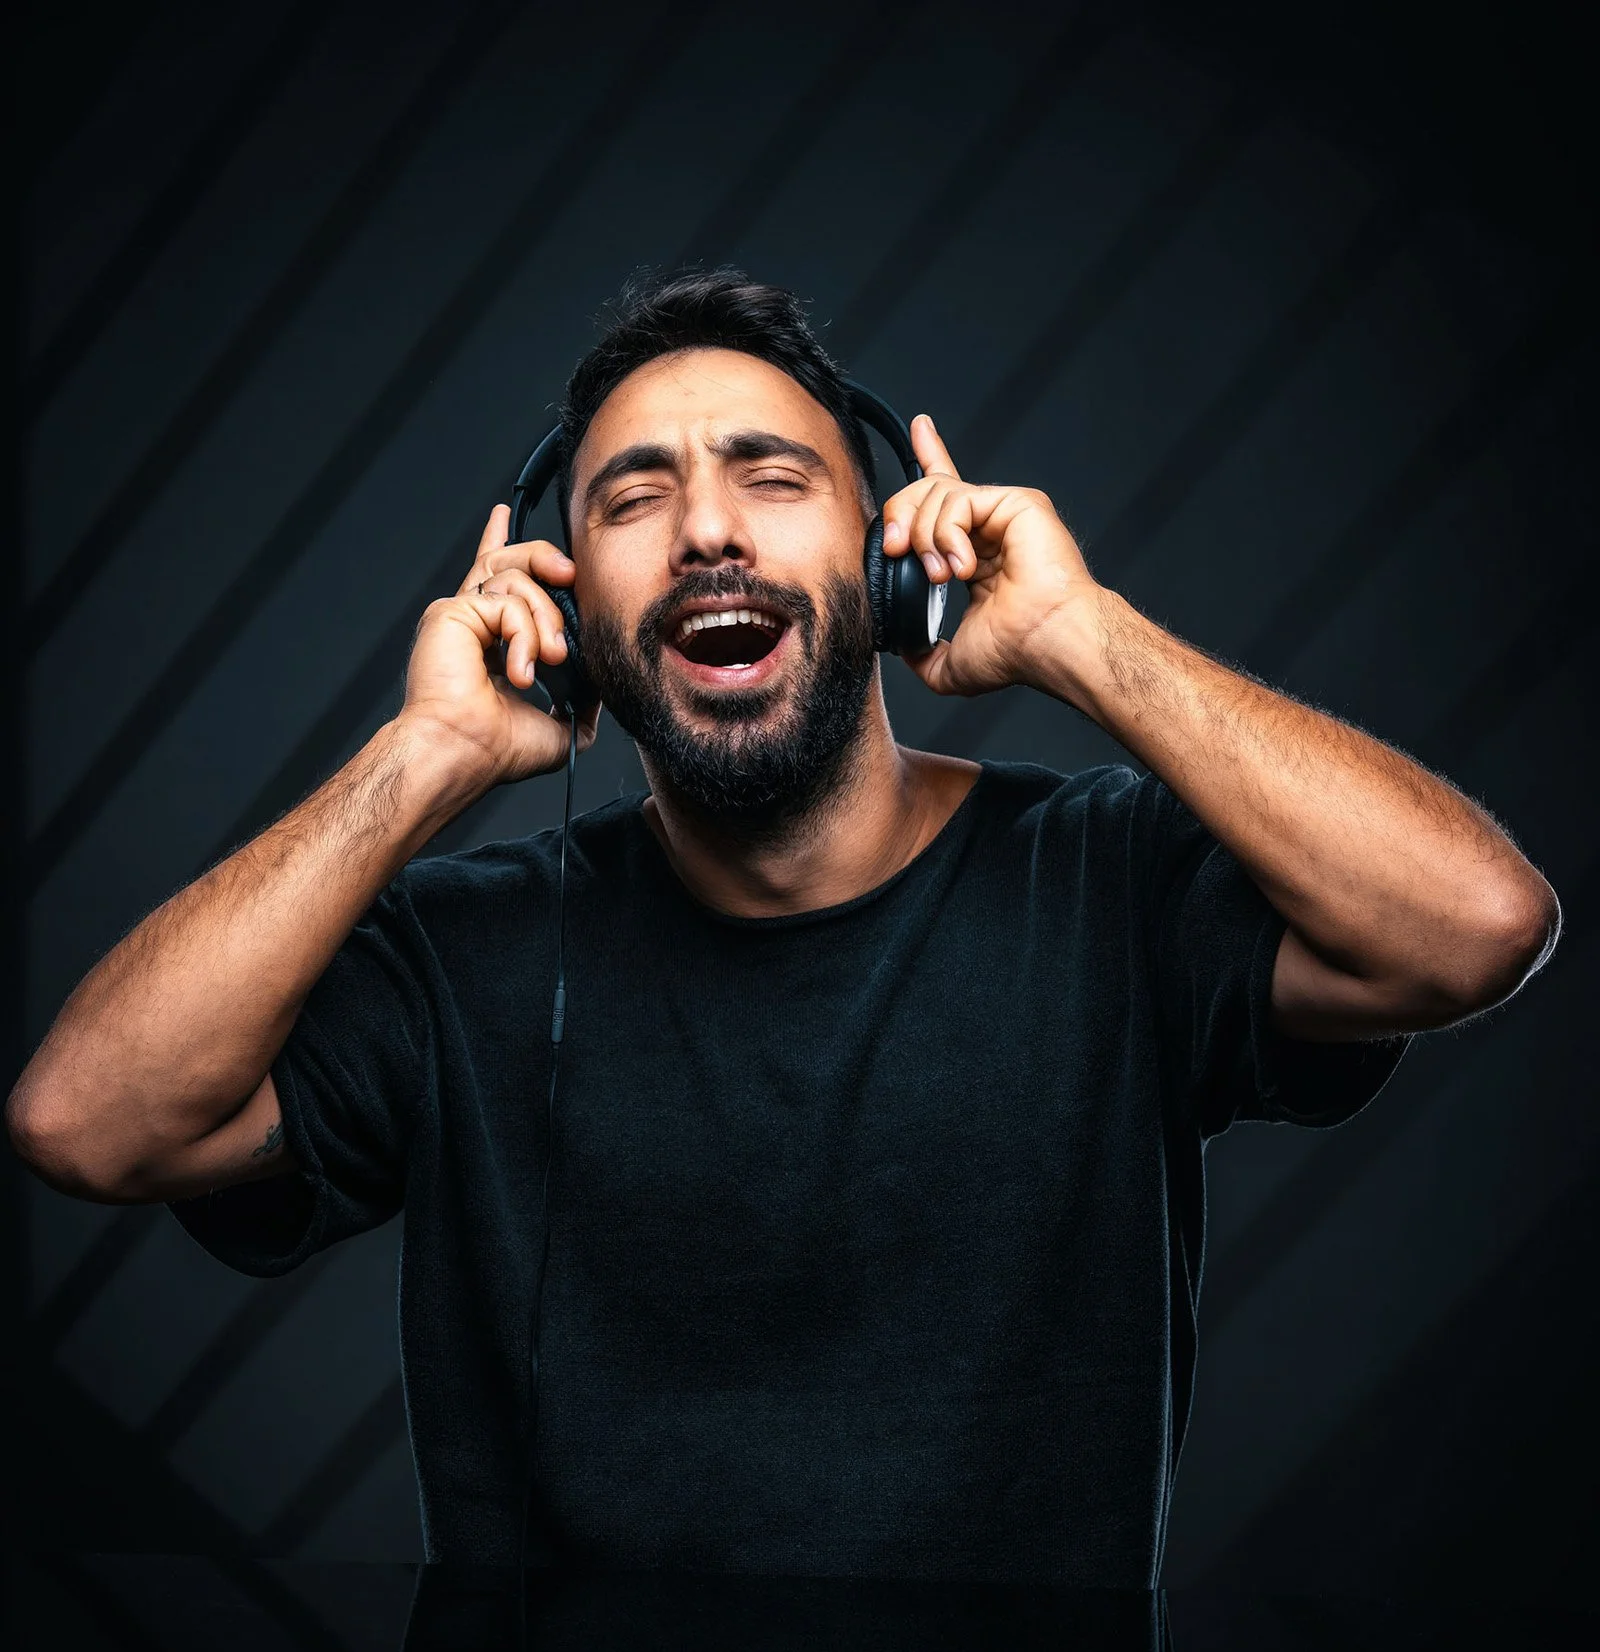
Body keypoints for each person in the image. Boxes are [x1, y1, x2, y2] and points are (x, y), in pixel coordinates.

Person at [7, 269, 1558, 1581]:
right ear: (566, 610)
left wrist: (1084, 637)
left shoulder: (1112, 881)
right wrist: (428, 760)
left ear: (888, 561)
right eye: (635, 495)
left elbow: (1473, 927)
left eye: (772, 475)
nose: (705, 536)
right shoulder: (456, 957)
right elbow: (91, 1122)